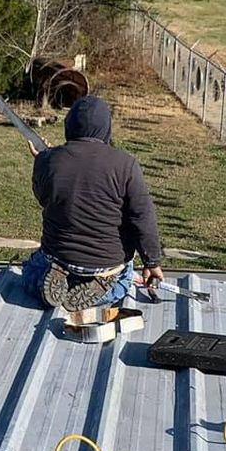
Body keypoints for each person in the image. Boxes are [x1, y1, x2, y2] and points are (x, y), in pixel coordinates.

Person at [20, 95, 165, 310]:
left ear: (69, 125)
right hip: (108, 265)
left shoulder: (49, 159)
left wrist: (42, 162)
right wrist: (152, 262)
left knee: (31, 271)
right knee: (124, 279)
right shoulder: (126, 164)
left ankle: (56, 278)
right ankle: (102, 286)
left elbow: (44, 197)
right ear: (105, 127)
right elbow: (142, 217)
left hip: (56, 257)